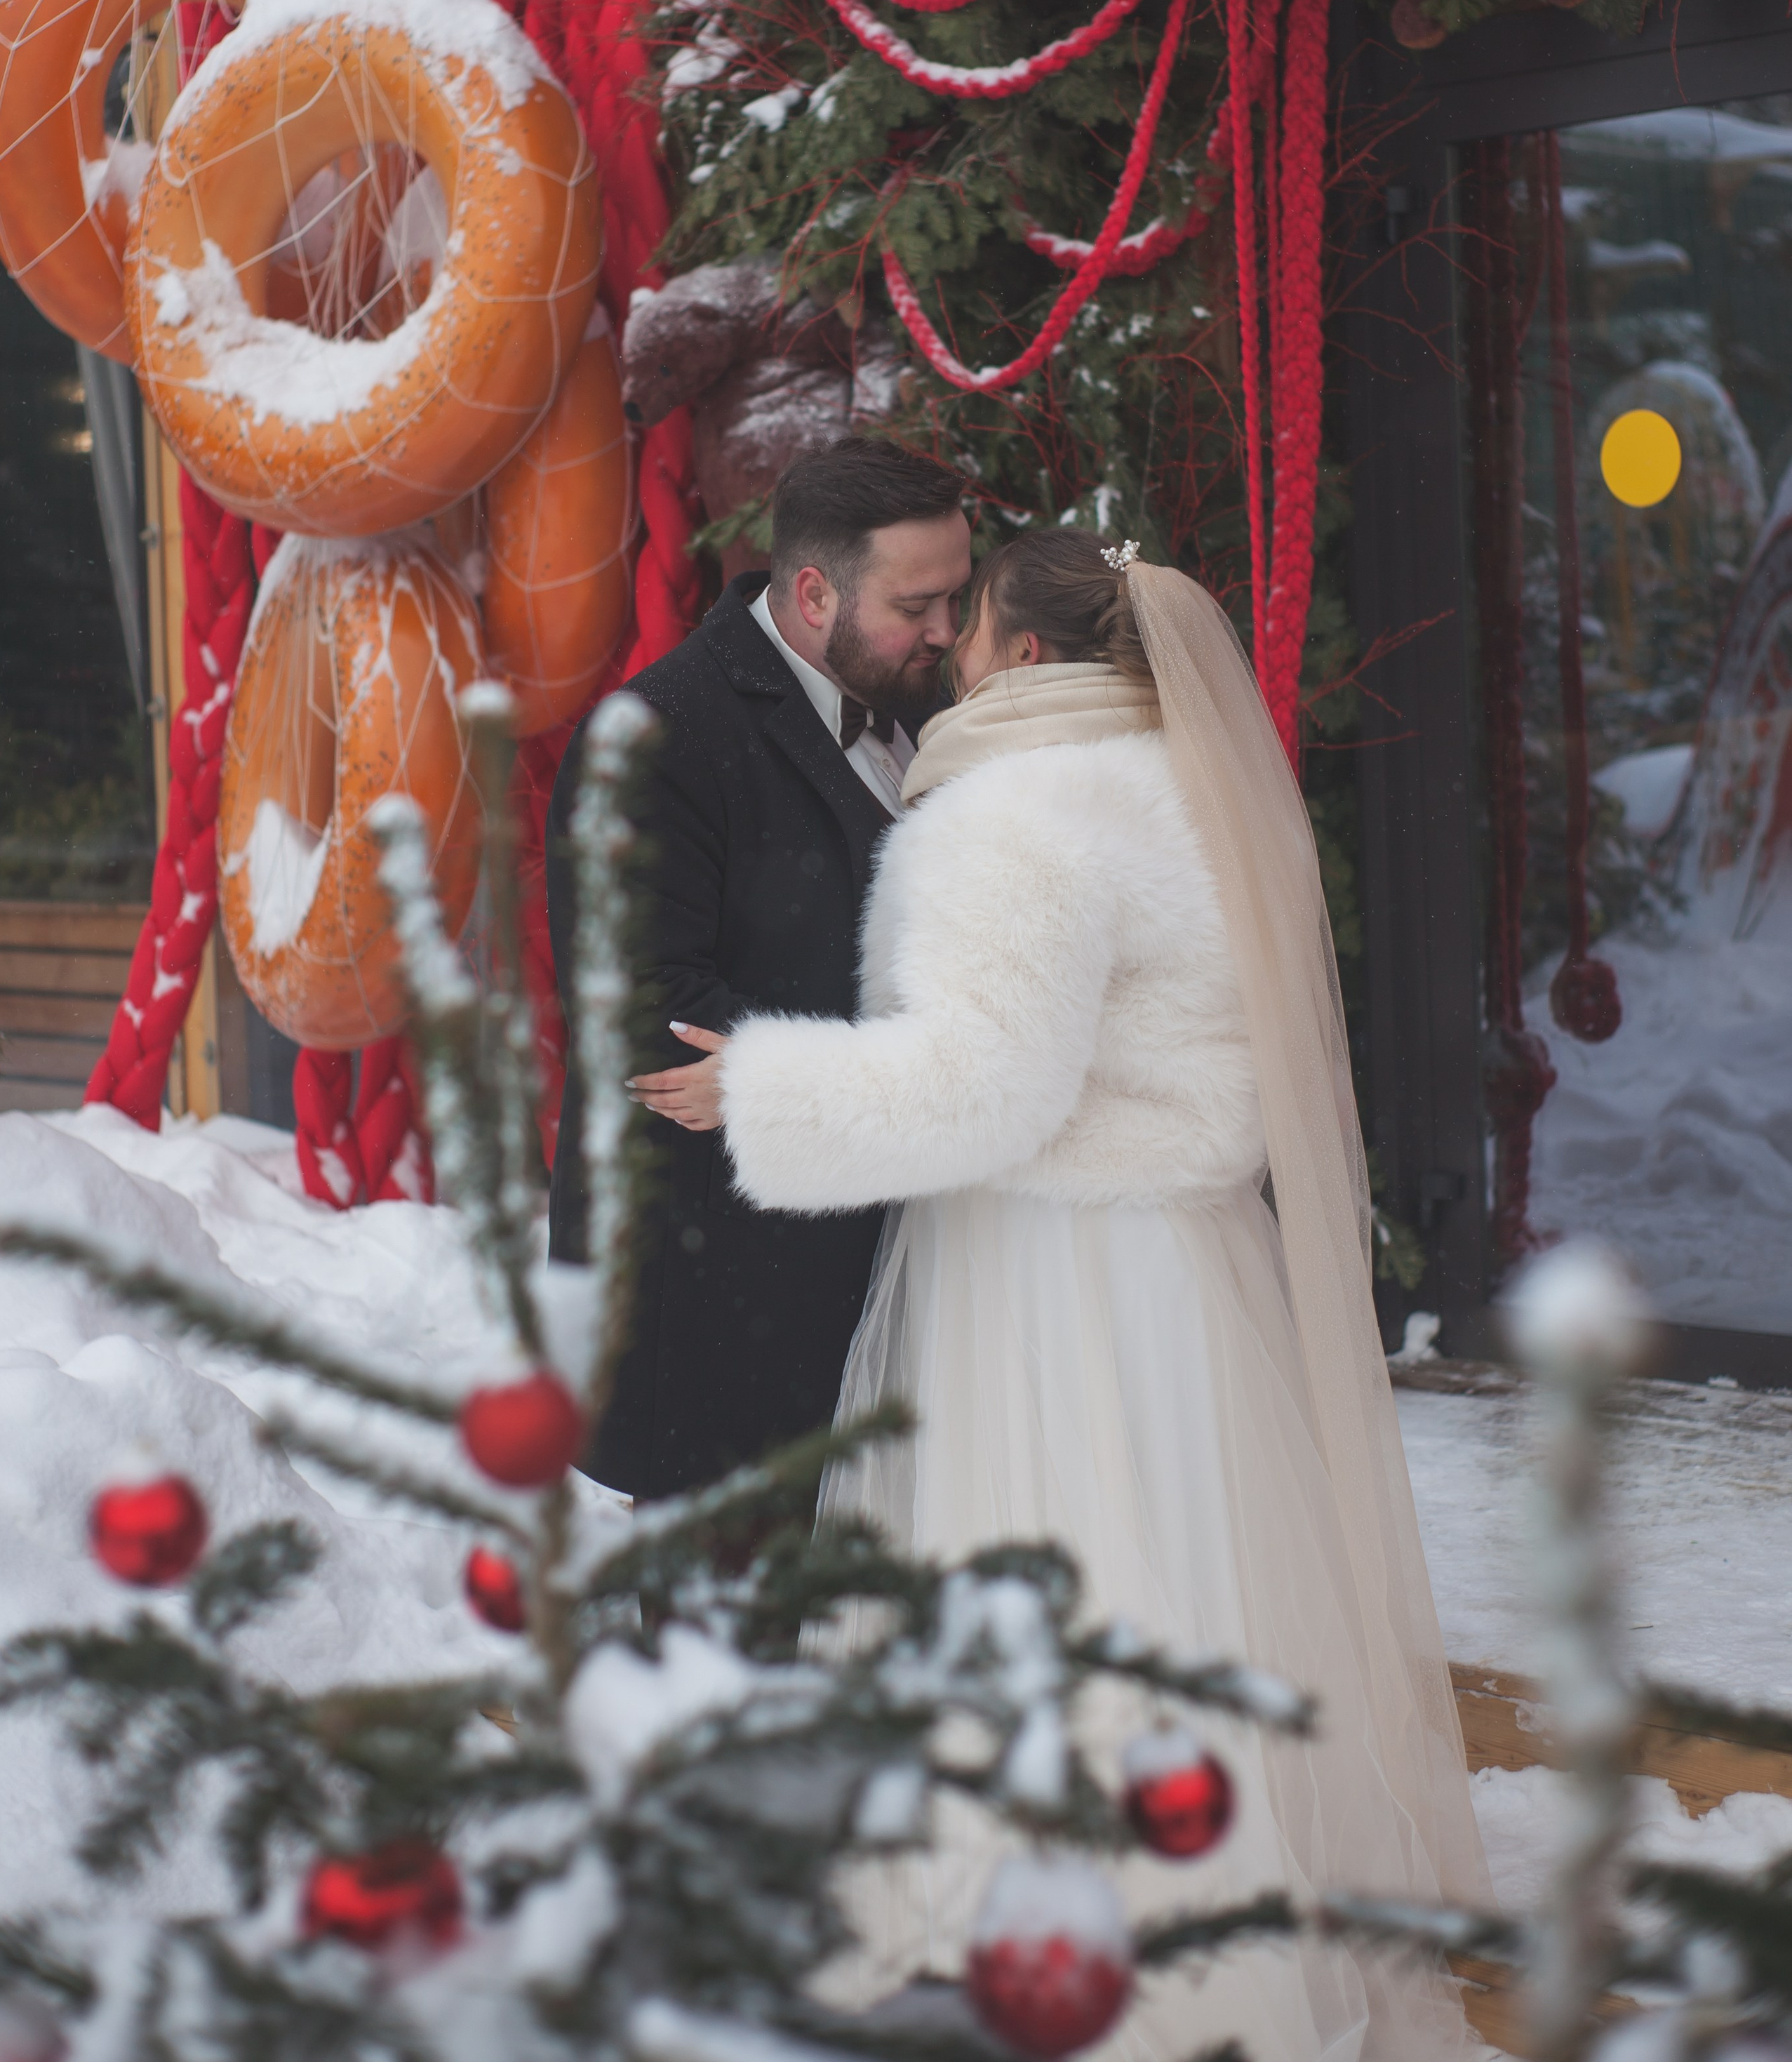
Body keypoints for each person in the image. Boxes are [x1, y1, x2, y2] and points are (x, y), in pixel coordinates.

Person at [633, 528, 1490, 2058]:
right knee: (1186, 1585)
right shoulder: (1189, 795)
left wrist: (755, 1090)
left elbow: (983, 1088)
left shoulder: (1014, 814)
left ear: (1026, 661)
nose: (942, 641)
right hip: (1181, 1263)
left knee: (1070, 1578)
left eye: (963, 626)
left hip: (1053, 1268)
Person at [547, 434, 970, 1499]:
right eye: (917, 604)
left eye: (956, 597)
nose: (948, 630)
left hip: (888, 1270)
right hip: (722, 1287)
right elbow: (652, 1015)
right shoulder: (656, 735)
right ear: (816, 591)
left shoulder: (930, 706)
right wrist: (903, 1091)